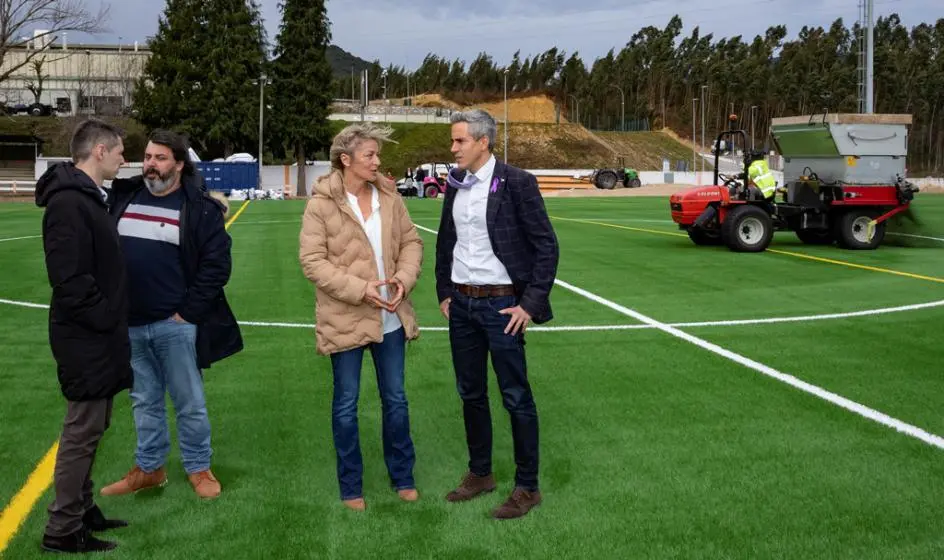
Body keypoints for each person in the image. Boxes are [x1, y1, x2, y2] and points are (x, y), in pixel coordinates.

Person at [100, 130, 242, 500]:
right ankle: (149, 469)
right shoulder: (124, 197)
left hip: (174, 326)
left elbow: (216, 267)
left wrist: (186, 314)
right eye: (147, 156)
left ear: (179, 164)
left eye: (160, 158)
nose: (151, 164)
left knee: (189, 402)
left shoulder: (198, 208)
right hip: (129, 325)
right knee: (144, 402)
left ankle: (199, 467)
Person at [435, 109, 559, 519]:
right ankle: (481, 474)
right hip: (462, 305)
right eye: (453, 141)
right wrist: (445, 292)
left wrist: (529, 304)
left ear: (483, 142)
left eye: (459, 141)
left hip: (502, 306)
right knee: (470, 393)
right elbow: (446, 242)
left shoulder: (518, 183)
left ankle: (527, 487)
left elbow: (546, 247)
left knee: (515, 396)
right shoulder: (455, 183)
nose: (453, 149)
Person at [299, 123, 423, 512]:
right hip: (345, 317)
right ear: (346, 159)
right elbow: (312, 261)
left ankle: (402, 476)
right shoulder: (320, 204)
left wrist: (403, 279)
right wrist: (361, 289)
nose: (377, 161)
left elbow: (412, 243)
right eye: (370, 155)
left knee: (396, 400)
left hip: (390, 319)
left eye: (377, 154)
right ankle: (351, 485)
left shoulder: (389, 197)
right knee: (346, 404)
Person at [36, 118, 132, 553]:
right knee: (81, 431)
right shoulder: (69, 204)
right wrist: (106, 317)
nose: (123, 159)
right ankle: (62, 529)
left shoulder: (88, 198)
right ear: (98, 151)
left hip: (97, 333)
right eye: (119, 152)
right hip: (85, 336)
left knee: (95, 426)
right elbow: (69, 279)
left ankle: (82, 508)